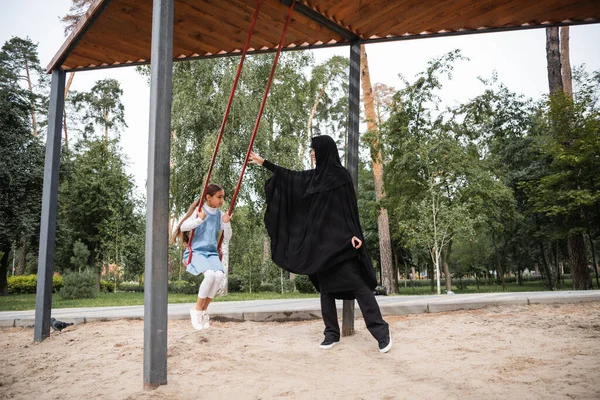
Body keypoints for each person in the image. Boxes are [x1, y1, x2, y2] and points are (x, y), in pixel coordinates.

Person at [248, 135, 392, 353]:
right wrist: (264, 162)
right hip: (320, 245)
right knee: (326, 290)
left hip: (342, 242)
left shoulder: (341, 176)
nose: (312, 153)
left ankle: (381, 333)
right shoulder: (313, 178)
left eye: (314, 149)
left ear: (325, 150)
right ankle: (331, 334)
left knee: (359, 286)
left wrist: (355, 233)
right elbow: (290, 178)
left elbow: (350, 208)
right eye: (310, 150)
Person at [171, 184, 233, 331]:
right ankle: (197, 310)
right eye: (219, 197)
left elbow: (227, 238)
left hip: (211, 252)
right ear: (208, 197)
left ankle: (204, 311)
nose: (222, 200)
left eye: (223, 197)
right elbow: (183, 227)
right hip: (197, 252)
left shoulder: (219, 214)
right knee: (210, 275)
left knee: (219, 275)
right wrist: (199, 220)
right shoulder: (200, 211)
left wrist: (226, 223)